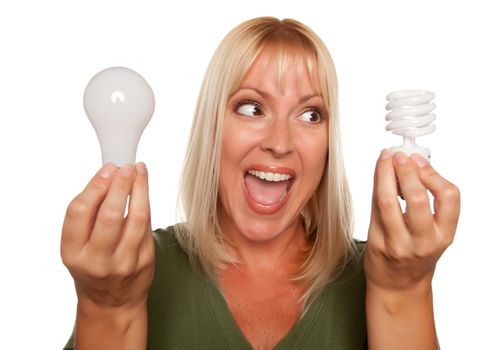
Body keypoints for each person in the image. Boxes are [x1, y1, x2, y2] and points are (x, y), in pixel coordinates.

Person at [61, 17, 460, 350]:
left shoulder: (383, 272)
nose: (279, 143)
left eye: (310, 115)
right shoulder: (129, 270)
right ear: (212, 127)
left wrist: (406, 290)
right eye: (252, 108)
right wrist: (106, 306)